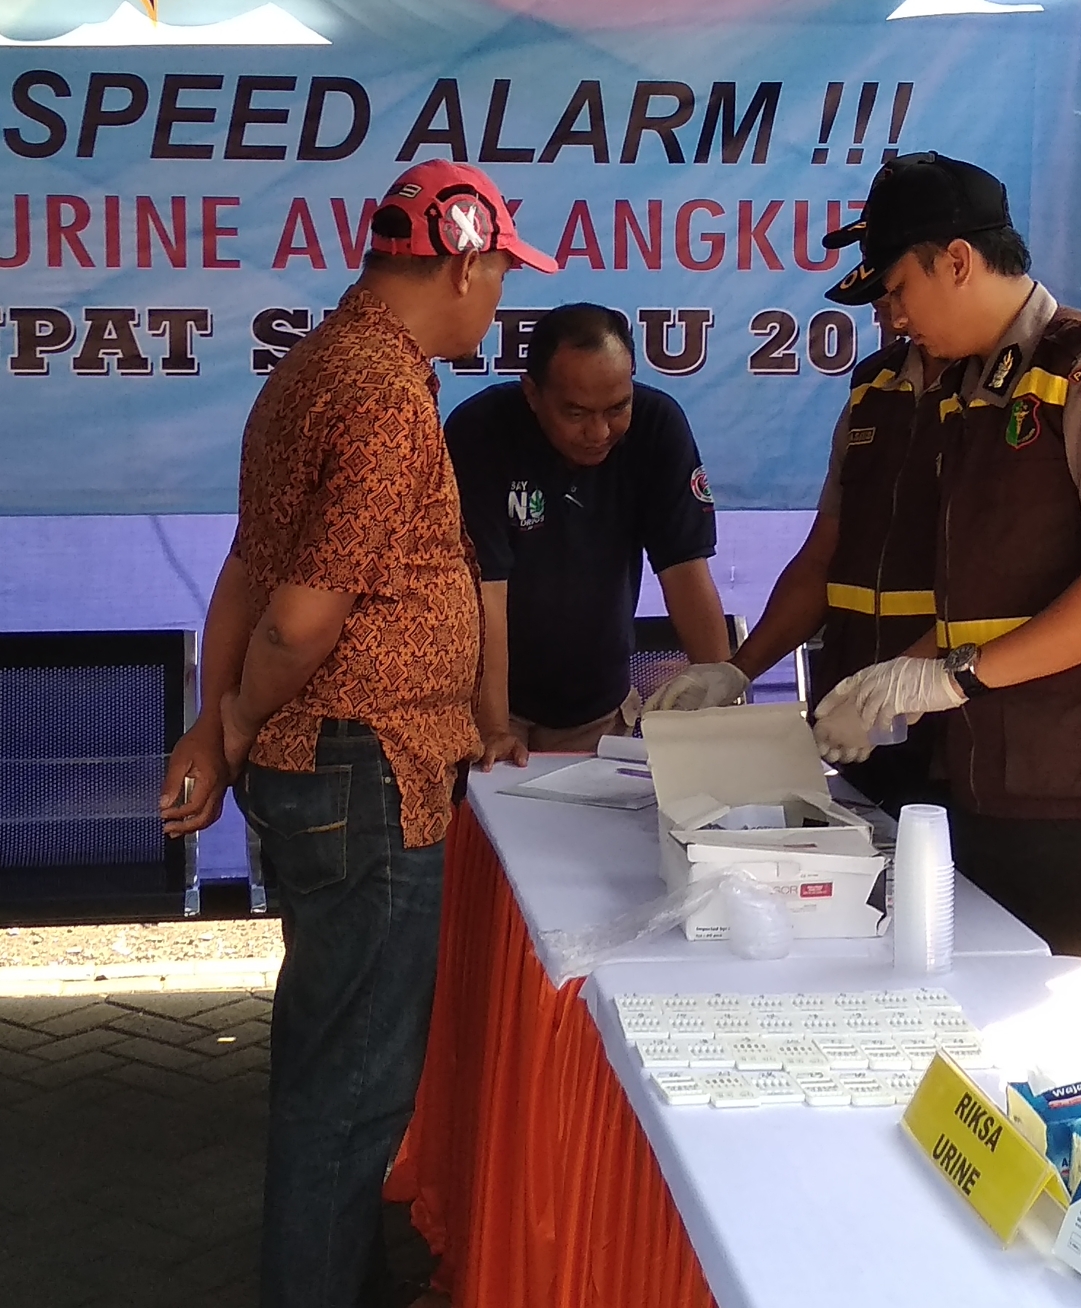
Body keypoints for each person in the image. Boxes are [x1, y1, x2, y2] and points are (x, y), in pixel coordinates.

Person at [156, 159, 553, 1308]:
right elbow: (301, 611)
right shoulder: (382, 394)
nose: (498, 305)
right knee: (355, 1085)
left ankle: (337, 1276)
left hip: (334, 766)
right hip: (362, 768)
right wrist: (226, 723)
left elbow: (245, 565)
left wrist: (211, 724)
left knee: (330, 1054)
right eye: (500, 279)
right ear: (467, 262)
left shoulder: (313, 370)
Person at [807, 152, 1081, 999]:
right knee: (986, 1018)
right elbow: (989, 589)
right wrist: (898, 680)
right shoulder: (971, 388)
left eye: (898, 288)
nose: (893, 318)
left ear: (956, 261)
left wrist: (953, 679)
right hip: (998, 770)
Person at [651, 289, 954, 816]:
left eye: (897, 289)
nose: (886, 312)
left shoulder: (1002, 392)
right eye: (879, 297)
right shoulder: (873, 387)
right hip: (855, 729)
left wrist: (905, 682)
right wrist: (738, 670)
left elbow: (1002, 584)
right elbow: (822, 558)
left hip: (963, 730)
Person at [445, 304, 729, 762]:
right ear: (533, 393)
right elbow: (485, 591)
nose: (598, 432)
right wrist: (494, 727)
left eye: (618, 408)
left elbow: (686, 571)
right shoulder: (480, 431)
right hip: (484, 706)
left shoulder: (659, 426)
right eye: (575, 413)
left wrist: (724, 710)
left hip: (599, 708)